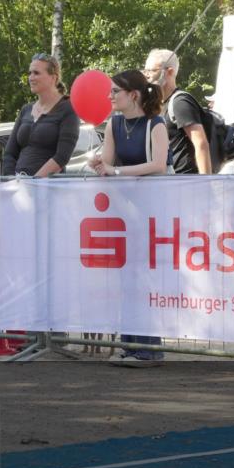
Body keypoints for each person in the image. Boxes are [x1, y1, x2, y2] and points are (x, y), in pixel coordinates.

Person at [88, 70, 171, 367]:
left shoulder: (155, 124)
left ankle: (149, 348)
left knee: (146, 279)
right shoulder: (114, 123)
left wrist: (116, 171)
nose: (109, 96)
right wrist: (99, 164)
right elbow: (109, 162)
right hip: (125, 210)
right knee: (128, 277)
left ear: (133, 95)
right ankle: (131, 344)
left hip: (152, 209)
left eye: (115, 91)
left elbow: (159, 165)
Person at [2, 53, 80, 177]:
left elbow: (62, 157)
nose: (31, 78)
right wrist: (11, 180)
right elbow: (9, 153)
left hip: (48, 185)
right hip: (18, 184)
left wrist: (34, 182)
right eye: (30, 73)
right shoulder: (26, 109)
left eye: (36, 73)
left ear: (53, 78)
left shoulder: (68, 108)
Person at [144, 49, 212, 174]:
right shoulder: (157, 103)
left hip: (185, 180)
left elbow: (201, 144)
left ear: (170, 72)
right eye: (145, 71)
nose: (147, 75)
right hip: (168, 180)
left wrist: (206, 181)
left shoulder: (180, 102)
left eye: (152, 70)